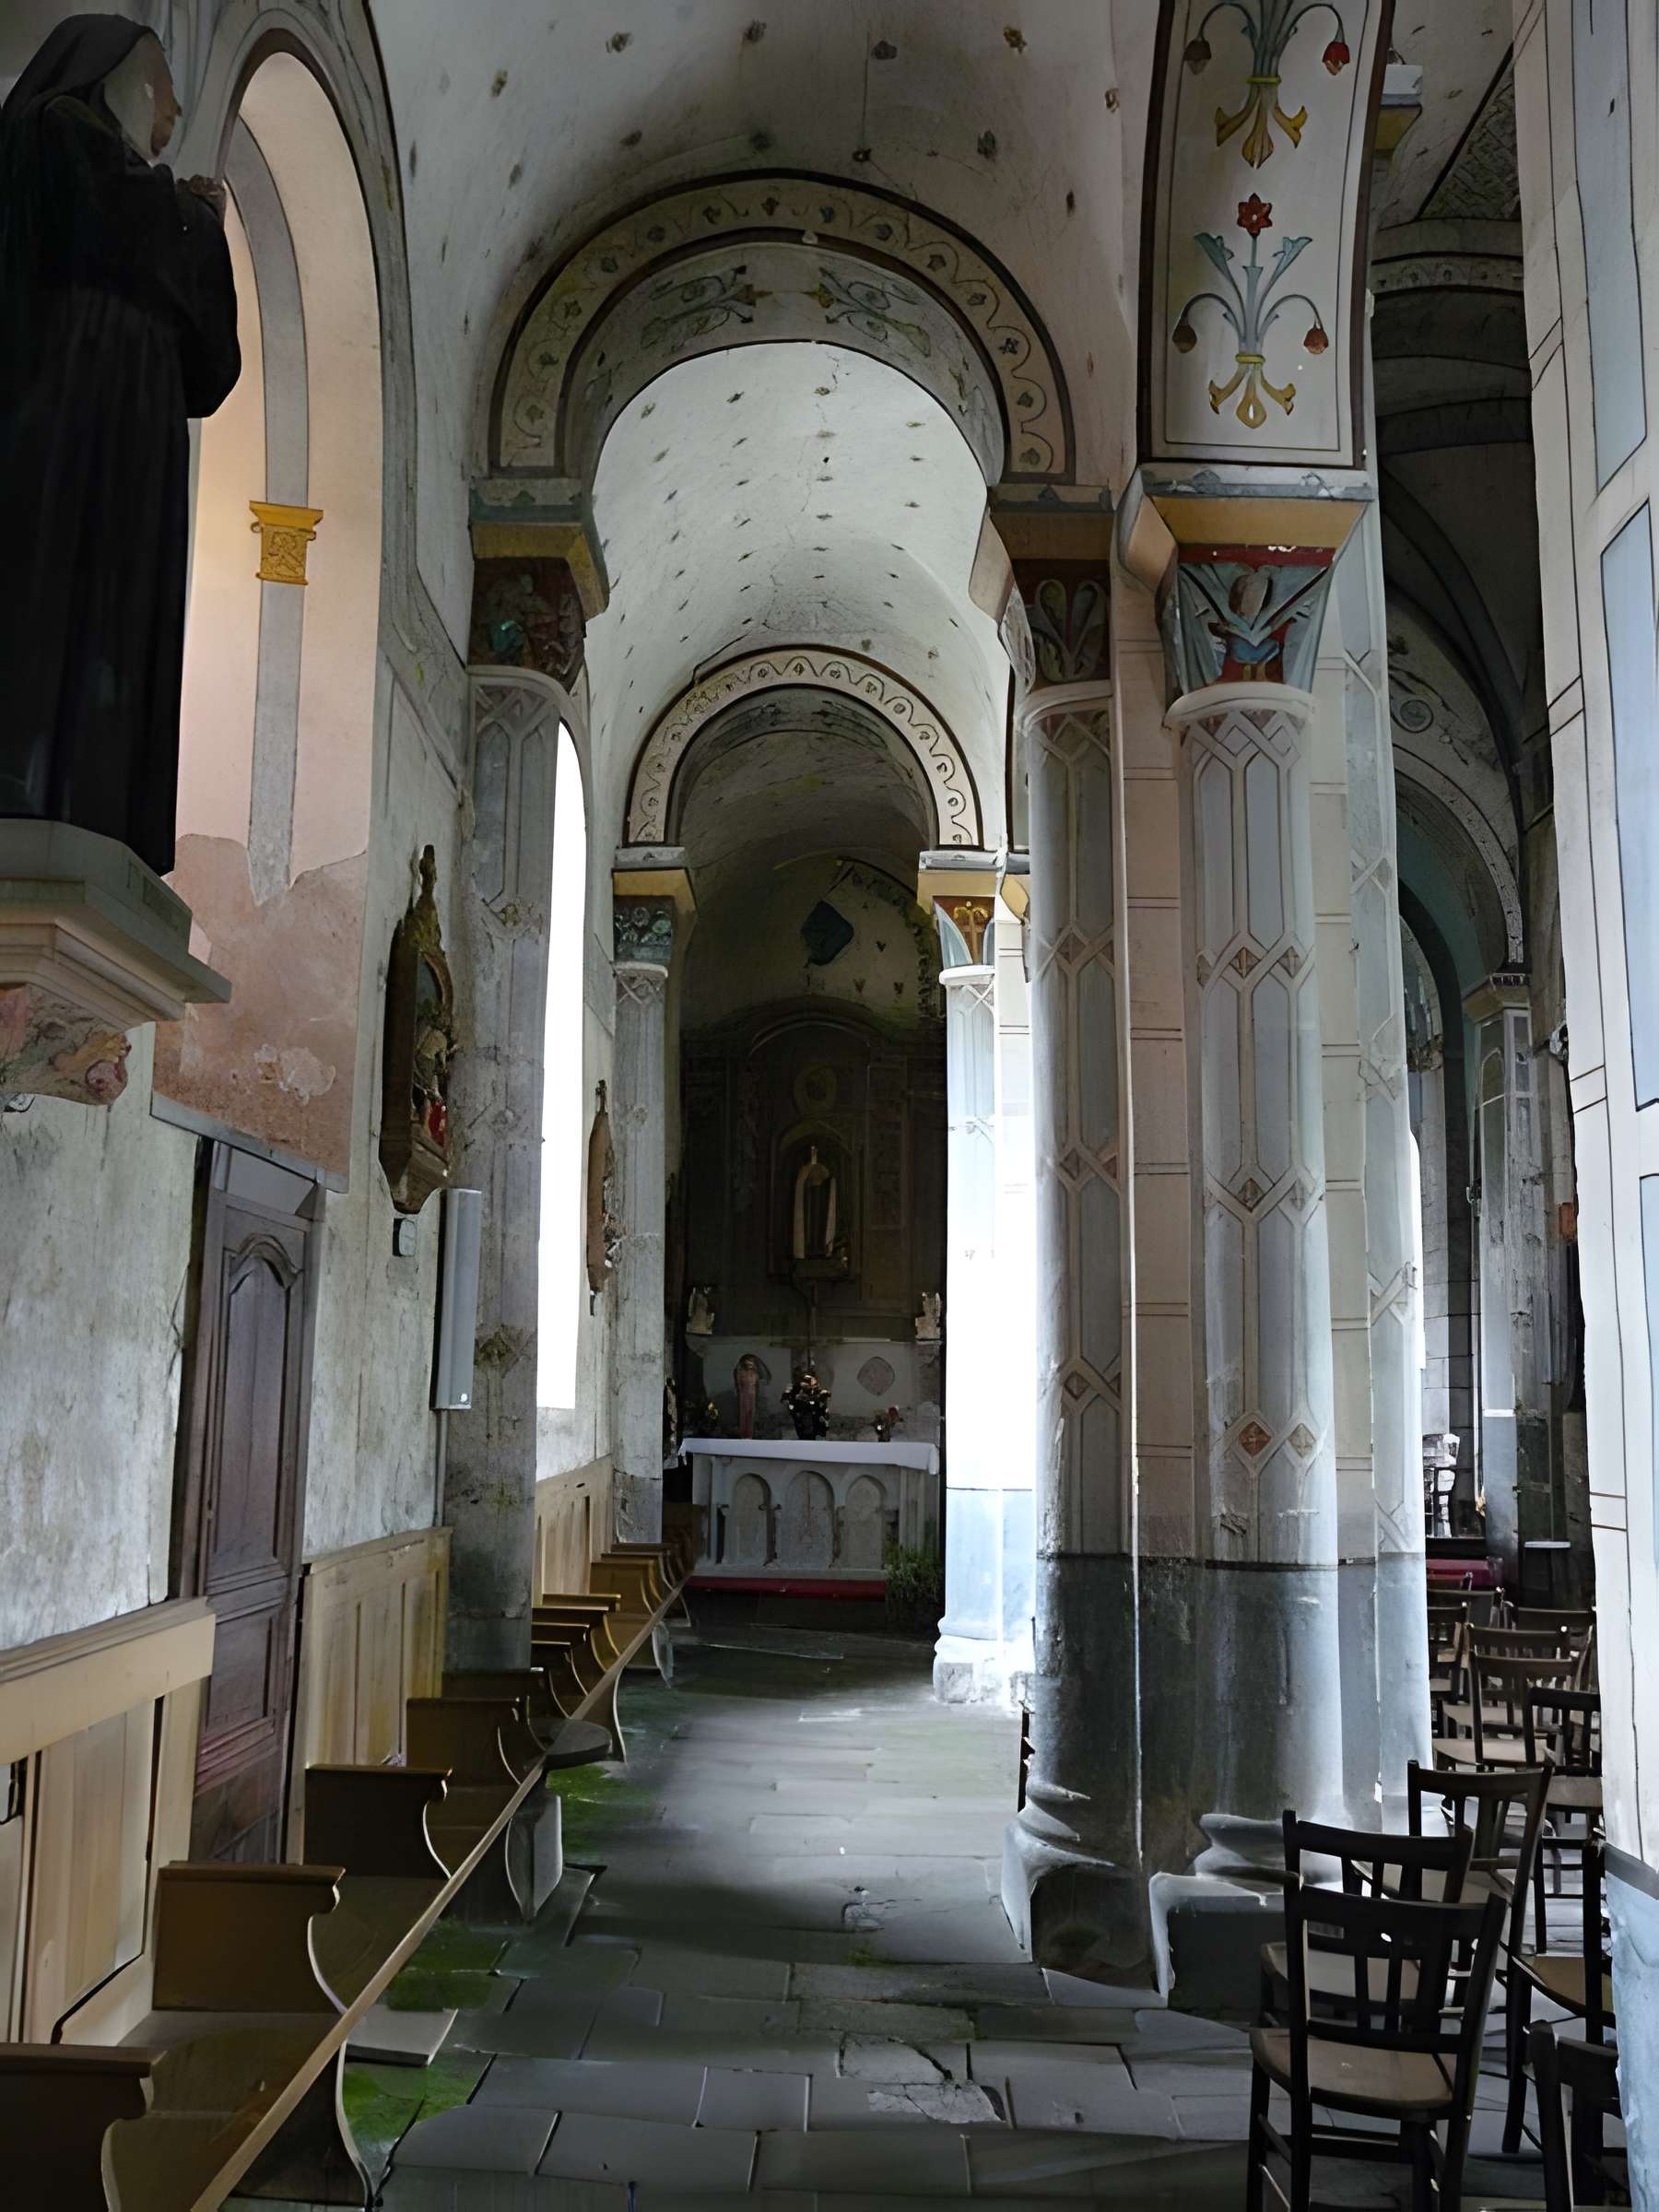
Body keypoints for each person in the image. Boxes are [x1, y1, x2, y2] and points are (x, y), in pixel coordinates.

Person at [0, 17, 240, 879]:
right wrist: (194, 217)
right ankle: (32, 774)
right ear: (114, 77)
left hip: (140, 434)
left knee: (120, 602)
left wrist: (193, 223)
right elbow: (115, 218)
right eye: (161, 88)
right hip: (67, 403)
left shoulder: (145, 194)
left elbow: (211, 367)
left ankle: (100, 797)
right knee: (54, 583)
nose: (172, 110)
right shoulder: (53, 132)